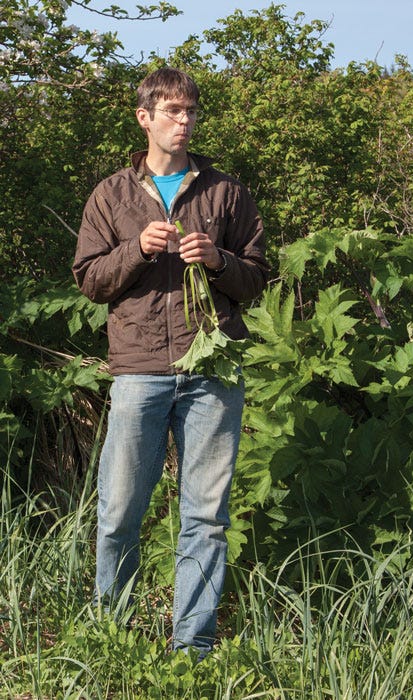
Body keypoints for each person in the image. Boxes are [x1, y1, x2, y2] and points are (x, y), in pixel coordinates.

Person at [72, 67, 269, 659]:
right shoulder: (111, 194)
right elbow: (88, 280)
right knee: (119, 511)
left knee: (205, 516)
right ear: (145, 117)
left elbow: (258, 279)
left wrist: (218, 259)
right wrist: (136, 250)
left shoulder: (226, 193)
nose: (184, 122)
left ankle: (194, 649)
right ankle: (114, 637)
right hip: (137, 369)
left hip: (211, 369)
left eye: (191, 112)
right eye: (172, 111)